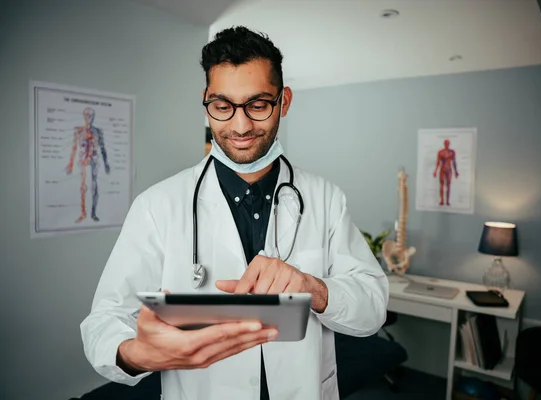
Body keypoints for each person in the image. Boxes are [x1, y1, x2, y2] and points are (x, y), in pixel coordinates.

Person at [80, 26, 388, 400]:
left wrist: (315, 289)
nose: (240, 126)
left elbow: (372, 307)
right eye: (223, 106)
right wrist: (135, 354)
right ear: (206, 101)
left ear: (284, 101)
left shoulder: (325, 199)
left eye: (258, 104)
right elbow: (104, 320)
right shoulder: (157, 206)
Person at [66, 107, 110, 222]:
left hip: (94, 158)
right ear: (84, 116)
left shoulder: (98, 132)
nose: (89, 118)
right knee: (83, 186)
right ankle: (83, 213)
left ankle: (93, 213)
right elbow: (74, 147)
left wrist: (106, 163)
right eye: (87, 115)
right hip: (82, 158)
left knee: (94, 185)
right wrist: (70, 163)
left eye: (91, 116)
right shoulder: (79, 131)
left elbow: (103, 148)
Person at [433, 139, 459, 206]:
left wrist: (456, 171)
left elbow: (454, 162)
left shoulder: (452, 152)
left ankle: (447, 201)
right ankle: (442, 200)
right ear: (444, 144)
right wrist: (435, 171)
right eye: (445, 143)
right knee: (441, 184)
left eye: (448, 143)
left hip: (449, 169)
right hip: (442, 169)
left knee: (448, 185)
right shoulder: (440, 152)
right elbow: (438, 162)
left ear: (449, 144)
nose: (447, 144)